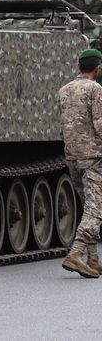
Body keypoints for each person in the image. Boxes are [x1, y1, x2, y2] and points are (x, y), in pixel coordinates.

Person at [57, 47, 102, 278]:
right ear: (98, 68)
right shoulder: (95, 90)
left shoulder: (64, 90)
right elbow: (100, 124)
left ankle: (93, 260)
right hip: (93, 156)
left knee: (89, 207)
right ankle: (75, 254)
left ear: (78, 67)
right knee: (96, 210)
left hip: (72, 155)